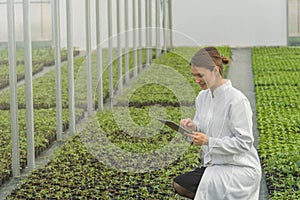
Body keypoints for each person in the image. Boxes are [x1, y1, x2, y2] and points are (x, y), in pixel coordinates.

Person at [173, 47, 261, 199]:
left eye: (200, 75)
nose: (196, 80)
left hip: (239, 168)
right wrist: (192, 128)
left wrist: (208, 141)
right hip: (215, 165)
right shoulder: (202, 97)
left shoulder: (237, 100)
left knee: (183, 184)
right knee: (180, 184)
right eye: (194, 75)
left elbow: (245, 142)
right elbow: (201, 131)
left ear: (215, 70)